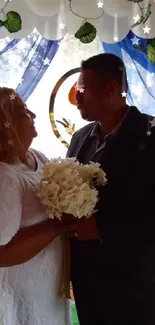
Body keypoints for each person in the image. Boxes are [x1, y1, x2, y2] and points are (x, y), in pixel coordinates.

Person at [67, 53, 155, 325]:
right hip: (87, 282)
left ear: (110, 89)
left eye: (83, 89)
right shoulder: (81, 137)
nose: (77, 98)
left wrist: (102, 228)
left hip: (134, 284)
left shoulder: (150, 135)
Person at [0, 87, 76, 325]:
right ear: (6, 123)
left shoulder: (38, 157)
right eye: (24, 111)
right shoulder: (5, 176)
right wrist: (58, 227)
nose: (33, 114)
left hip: (48, 281)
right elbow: (2, 252)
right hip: (22, 288)